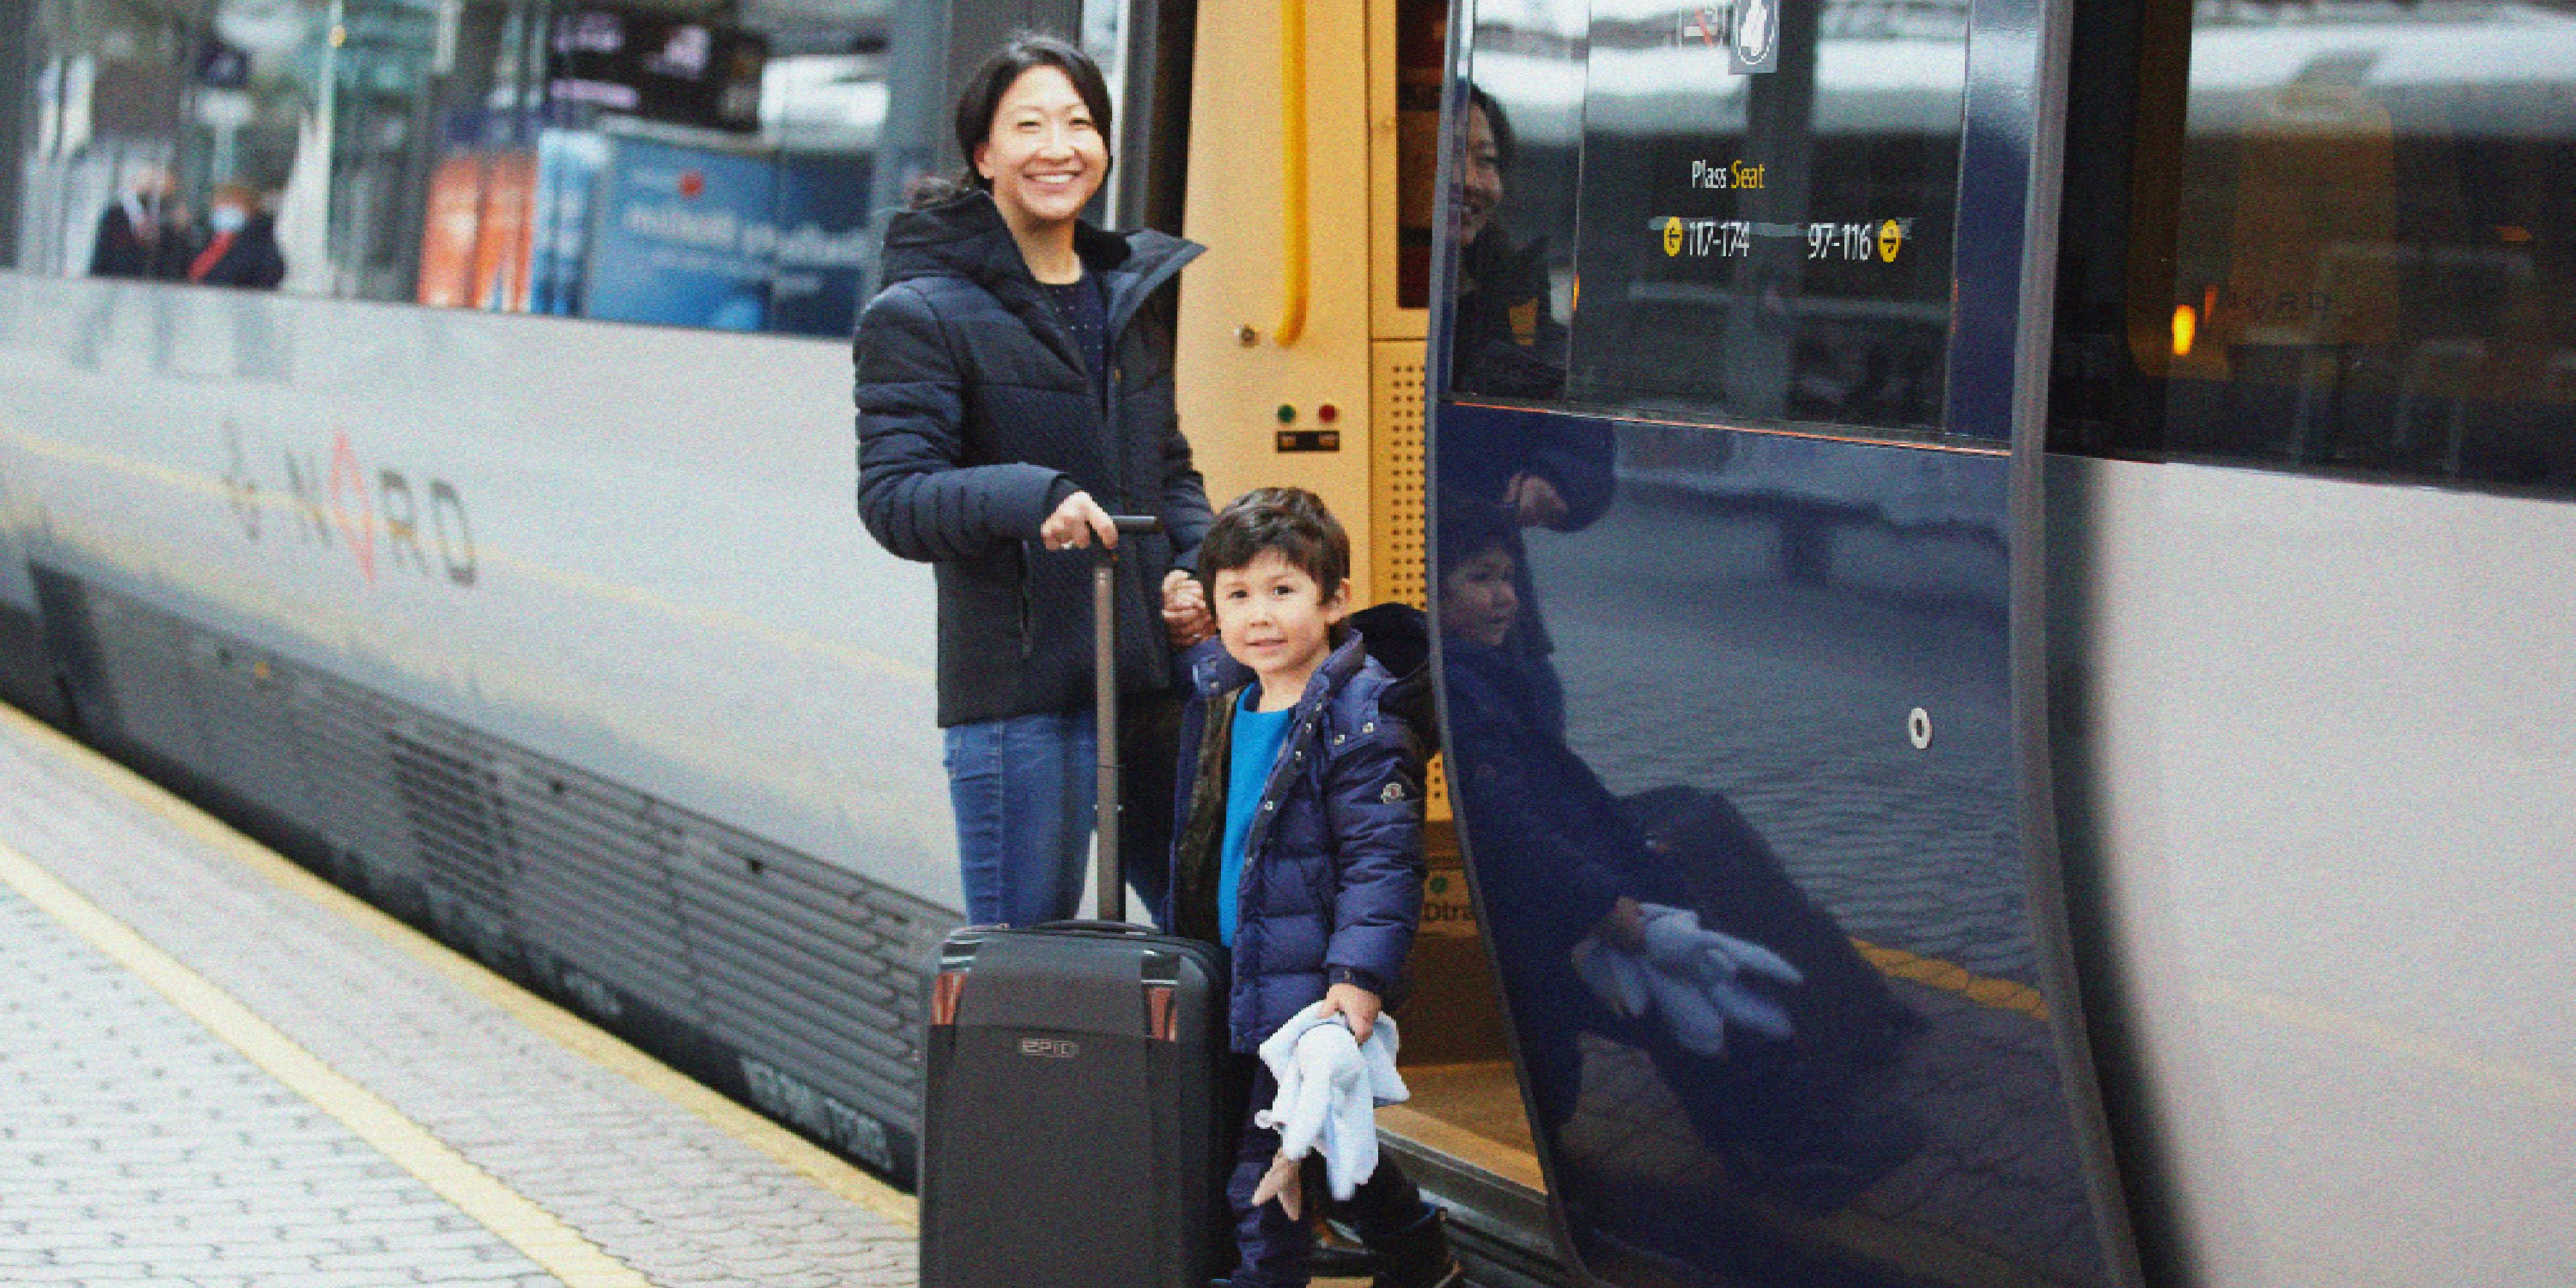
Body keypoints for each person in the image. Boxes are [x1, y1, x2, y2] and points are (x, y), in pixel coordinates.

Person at [855, 34, 1216, 928]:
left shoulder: (1124, 297)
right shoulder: (920, 312)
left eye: (1079, 122)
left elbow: (1167, 468)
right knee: (1029, 980)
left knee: (1218, 937)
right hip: (1022, 701)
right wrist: (1035, 497)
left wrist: (1195, 566)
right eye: (1030, 125)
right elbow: (895, 499)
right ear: (983, 154)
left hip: (1152, 686)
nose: (1059, 146)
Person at [1164, 488, 1460, 1288]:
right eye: (1239, 595)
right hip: (1236, 973)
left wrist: (1357, 984)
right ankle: (1418, 1253)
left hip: (1311, 995)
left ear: (1335, 601)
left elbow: (1382, 865)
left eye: (1283, 591)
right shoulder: (1228, 697)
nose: (1260, 615)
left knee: (1265, 1185)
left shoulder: (1363, 721)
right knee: (1324, 1149)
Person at [89, 168, 192, 280]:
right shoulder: (116, 215)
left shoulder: (167, 222)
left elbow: (175, 264)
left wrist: (180, 232)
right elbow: (102, 257)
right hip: (116, 283)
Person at [186, 184, 287, 289]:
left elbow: (269, 275)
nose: (224, 209)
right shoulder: (206, 240)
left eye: (231, 204)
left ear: (249, 210)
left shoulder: (259, 245)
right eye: (219, 204)